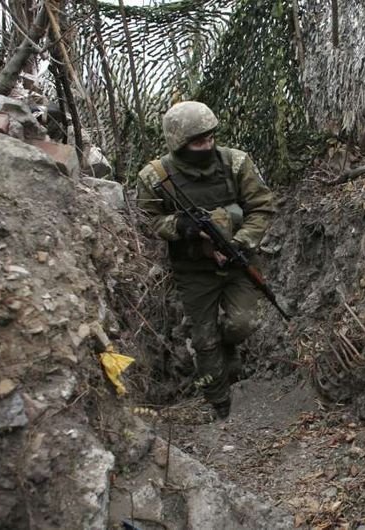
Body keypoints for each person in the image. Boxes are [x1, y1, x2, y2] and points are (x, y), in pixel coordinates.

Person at [136, 101, 276, 419]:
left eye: (211, 137)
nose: (207, 145)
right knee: (204, 337)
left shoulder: (236, 163)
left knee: (244, 323)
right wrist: (180, 227)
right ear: (178, 142)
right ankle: (218, 403)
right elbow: (148, 221)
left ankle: (231, 352)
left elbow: (262, 207)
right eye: (198, 141)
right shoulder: (154, 178)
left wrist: (238, 242)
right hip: (193, 269)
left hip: (239, 260)